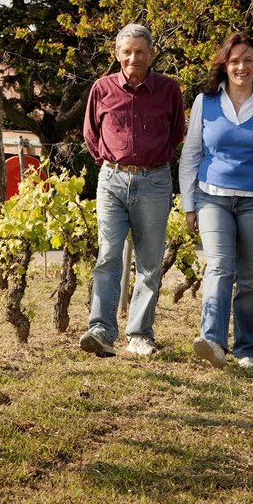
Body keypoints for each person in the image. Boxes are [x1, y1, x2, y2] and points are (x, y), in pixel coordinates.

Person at [179, 32, 253, 369]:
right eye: (234, 61)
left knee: (249, 278)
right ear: (224, 65)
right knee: (219, 266)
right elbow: (191, 154)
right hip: (212, 198)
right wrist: (189, 203)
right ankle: (213, 341)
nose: (241, 66)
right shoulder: (206, 101)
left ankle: (246, 350)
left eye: (248, 60)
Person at [80, 24, 185, 357]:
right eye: (127, 52)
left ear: (151, 54)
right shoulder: (101, 88)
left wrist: (149, 163)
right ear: (117, 54)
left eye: (140, 51)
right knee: (108, 257)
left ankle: (140, 334)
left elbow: (176, 133)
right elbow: (91, 135)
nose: (133, 58)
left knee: (150, 263)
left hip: (154, 182)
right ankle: (101, 332)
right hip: (112, 181)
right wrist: (112, 163)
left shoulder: (169, 89)